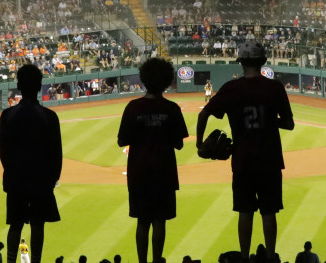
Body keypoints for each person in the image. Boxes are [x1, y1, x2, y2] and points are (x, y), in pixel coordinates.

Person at [196, 41, 295, 263]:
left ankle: (243, 257)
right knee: (269, 212)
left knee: (245, 211)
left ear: (240, 62)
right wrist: (270, 120)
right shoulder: (275, 87)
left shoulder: (232, 89)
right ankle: (270, 257)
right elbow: (289, 124)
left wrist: (199, 145)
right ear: (263, 61)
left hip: (243, 160)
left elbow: (204, 115)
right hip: (270, 160)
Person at [117, 58, 188, 263]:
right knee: (160, 221)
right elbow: (179, 144)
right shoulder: (172, 108)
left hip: (139, 172)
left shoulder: (133, 107)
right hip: (164, 172)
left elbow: (122, 140)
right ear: (167, 80)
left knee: (142, 221)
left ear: (144, 79)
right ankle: (157, 260)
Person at [0, 64, 63, 263]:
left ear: (18, 86)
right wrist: (51, 180)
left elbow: (3, 151)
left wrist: (11, 173)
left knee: (15, 225)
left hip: (17, 179)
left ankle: (10, 261)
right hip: (40, 180)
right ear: (39, 86)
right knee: (37, 225)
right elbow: (56, 155)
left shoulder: (8, 115)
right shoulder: (49, 117)